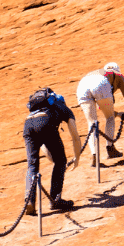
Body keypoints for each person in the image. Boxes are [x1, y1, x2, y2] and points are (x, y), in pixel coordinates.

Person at [22, 87, 80, 215]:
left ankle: (29, 201)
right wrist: (77, 158)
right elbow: (75, 137)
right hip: (45, 122)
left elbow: (42, 142)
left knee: (32, 165)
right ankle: (55, 199)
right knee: (60, 161)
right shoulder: (64, 109)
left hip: (28, 124)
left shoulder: (38, 108)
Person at [75, 61, 124, 163]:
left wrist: (117, 114)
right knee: (110, 118)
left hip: (82, 85)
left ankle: (94, 155)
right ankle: (110, 148)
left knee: (92, 124)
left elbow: (101, 106)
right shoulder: (118, 77)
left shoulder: (100, 73)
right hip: (100, 84)